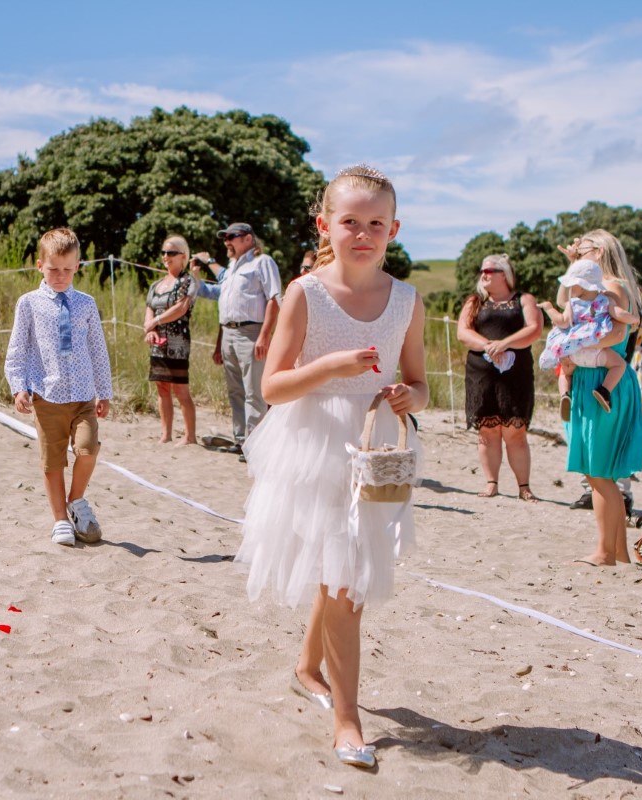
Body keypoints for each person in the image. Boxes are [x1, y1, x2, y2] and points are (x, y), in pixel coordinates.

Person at [236, 165, 427, 769]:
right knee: (346, 582)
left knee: (343, 569)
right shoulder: (305, 293)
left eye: (376, 223)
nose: (363, 233)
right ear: (326, 225)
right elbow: (273, 385)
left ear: (393, 229)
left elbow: (421, 385)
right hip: (315, 446)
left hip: (376, 449)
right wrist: (332, 368)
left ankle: (307, 667)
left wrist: (407, 397)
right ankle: (348, 719)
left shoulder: (407, 300)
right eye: (351, 222)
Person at [4, 228, 113, 547]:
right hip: (46, 396)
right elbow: (18, 349)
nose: (60, 276)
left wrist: (104, 392)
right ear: (40, 266)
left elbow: (97, 349)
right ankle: (60, 520)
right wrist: (18, 387)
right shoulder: (29, 304)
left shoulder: (86, 304)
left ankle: (75, 500)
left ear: (77, 266)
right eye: (53, 269)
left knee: (88, 448)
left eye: (67, 269)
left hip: (83, 396)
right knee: (53, 461)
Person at [559, 230, 642, 566]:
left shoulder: (611, 286)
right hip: (589, 376)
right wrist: (572, 269)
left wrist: (577, 346)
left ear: (600, 250)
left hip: (602, 377)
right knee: (600, 471)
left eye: (581, 248)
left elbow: (618, 333)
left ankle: (604, 552)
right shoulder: (596, 284)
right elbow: (567, 309)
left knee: (598, 472)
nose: (576, 250)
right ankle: (619, 553)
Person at [457, 254, 542, 500]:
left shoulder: (524, 299)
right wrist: (489, 346)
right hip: (481, 373)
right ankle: (491, 482)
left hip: (516, 374)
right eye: (481, 270)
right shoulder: (475, 302)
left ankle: (524, 487)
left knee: (515, 431)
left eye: (490, 270)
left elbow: (534, 329)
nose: (483, 274)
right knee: (488, 429)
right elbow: (463, 332)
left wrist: (505, 344)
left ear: (504, 274)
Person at [193, 222, 283, 455]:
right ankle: (241, 441)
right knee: (235, 391)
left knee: (255, 392)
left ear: (248, 239)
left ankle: (255, 446)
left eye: (231, 236)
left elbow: (274, 299)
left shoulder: (263, 262)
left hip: (252, 333)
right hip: (228, 334)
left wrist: (265, 335)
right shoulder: (232, 267)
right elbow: (222, 300)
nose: (226, 241)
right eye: (225, 237)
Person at [539, 259, 639, 413]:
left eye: (572, 284)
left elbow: (563, 322)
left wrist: (549, 309)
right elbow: (618, 314)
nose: (570, 288)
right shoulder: (605, 300)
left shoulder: (571, 304)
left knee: (565, 372)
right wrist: (634, 319)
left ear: (581, 284)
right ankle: (604, 391)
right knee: (619, 365)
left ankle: (565, 394)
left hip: (573, 352)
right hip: (595, 350)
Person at [143, 235, 199, 444]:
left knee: (180, 388)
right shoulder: (157, 284)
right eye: (164, 252)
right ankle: (165, 434)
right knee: (161, 386)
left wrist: (155, 321)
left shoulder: (187, 281)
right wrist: (150, 328)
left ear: (183, 256)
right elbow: (149, 306)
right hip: (158, 342)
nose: (166, 256)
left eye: (171, 253)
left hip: (177, 341)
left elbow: (181, 307)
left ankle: (189, 436)